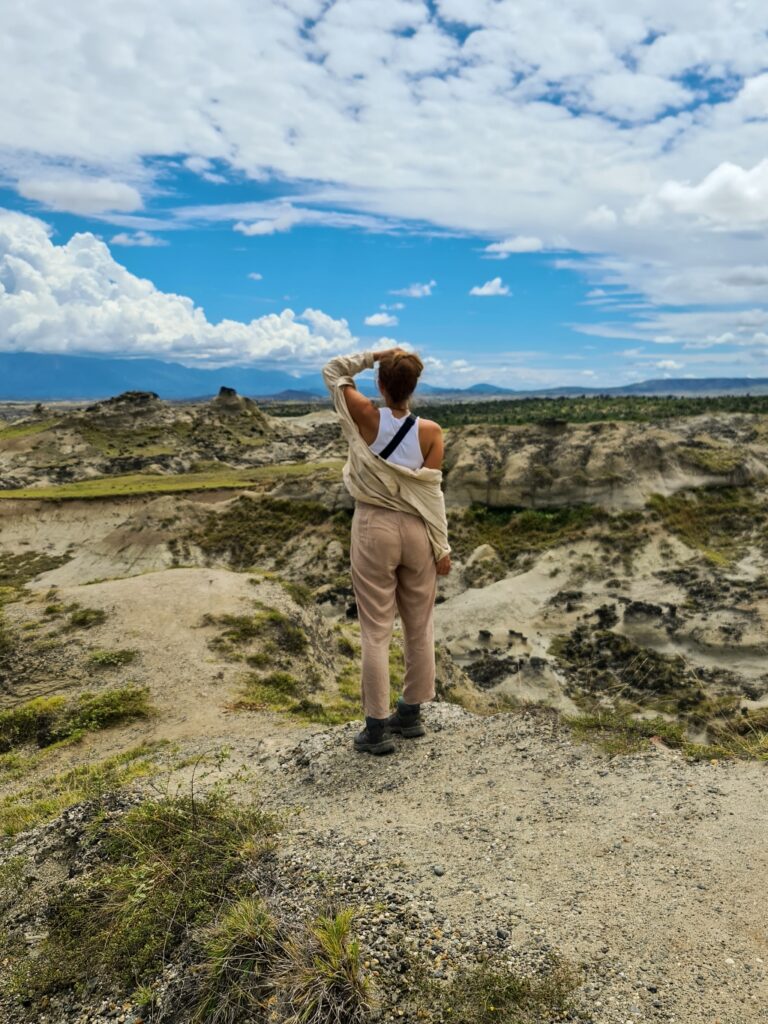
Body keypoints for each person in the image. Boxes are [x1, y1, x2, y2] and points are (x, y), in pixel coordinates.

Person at [322, 347, 451, 756]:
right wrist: (441, 545)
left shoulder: (365, 417)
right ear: (414, 386)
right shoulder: (431, 432)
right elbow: (432, 494)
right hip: (418, 530)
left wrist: (377, 353)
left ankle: (375, 728)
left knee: (376, 629)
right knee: (419, 624)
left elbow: (334, 370)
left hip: (374, 525)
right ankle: (410, 714)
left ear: (380, 384)